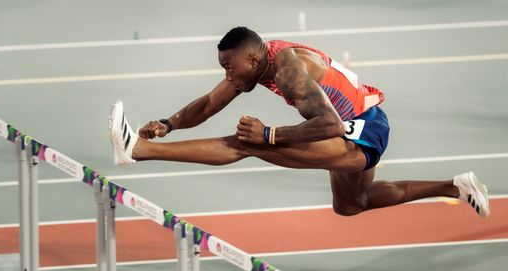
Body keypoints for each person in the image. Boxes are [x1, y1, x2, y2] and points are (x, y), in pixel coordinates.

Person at [108, 26, 489, 217]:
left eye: (229, 66)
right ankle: (455, 186)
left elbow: (331, 125)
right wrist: (168, 121)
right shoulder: (256, 67)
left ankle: (138, 152)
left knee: (248, 143)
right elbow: (208, 104)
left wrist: (270, 134)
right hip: (366, 123)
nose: (227, 75)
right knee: (352, 205)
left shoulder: (289, 68)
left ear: (253, 61)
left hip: (361, 132)